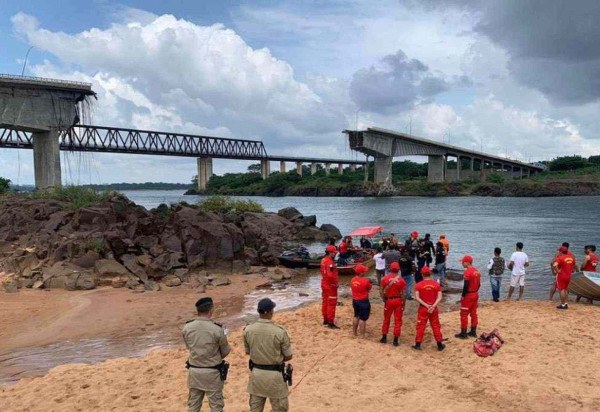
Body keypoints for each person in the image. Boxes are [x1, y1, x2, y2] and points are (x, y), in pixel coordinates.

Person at [182, 297, 231, 412]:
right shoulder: (217, 329)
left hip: (194, 372)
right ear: (211, 310)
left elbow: (189, 347)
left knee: (193, 406)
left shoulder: (187, 327)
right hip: (212, 373)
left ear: (198, 310)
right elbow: (225, 351)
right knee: (216, 406)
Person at [244, 298, 293, 412]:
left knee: (255, 408)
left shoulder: (248, 330)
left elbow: (248, 352)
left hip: (257, 375)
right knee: (280, 408)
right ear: (271, 311)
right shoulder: (279, 331)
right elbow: (288, 356)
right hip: (275, 376)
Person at [412, 266, 445, 351]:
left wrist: (427, 306)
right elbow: (440, 297)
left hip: (423, 308)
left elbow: (417, 297)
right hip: (433, 309)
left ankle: (418, 344)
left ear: (422, 274)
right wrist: (433, 306)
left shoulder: (418, 285)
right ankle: (440, 345)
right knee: (435, 325)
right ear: (430, 274)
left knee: (421, 326)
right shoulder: (436, 284)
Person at [379, 261, 406, 346]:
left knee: (386, 319)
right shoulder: (401, 280)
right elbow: (404, 294)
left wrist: (384, 299)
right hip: (398, 301)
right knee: (398, 320)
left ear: (390, 269)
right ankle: (395, 340)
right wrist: (403, 304)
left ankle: (384, 337)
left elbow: (381, 291)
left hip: (388, 301)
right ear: (398, 270)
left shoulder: (384, 279)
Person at [455, 256, 481, 339]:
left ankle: (463, 333)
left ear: (467, 262)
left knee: (464, 314)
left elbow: (466, 285)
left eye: (463, 262)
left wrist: (463, 295)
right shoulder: (477, 271)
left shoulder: (467, 272)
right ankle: (473, 332)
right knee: (473, 313)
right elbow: (479, 284)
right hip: (475, 294)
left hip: (468, 295)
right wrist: (475, 291)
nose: (462, 263)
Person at [320, 245, 340, 329]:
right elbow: (330, 275)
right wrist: (335, 283)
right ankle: (330, 322)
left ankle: (325, 320)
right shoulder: (330, 262)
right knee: (331, 304)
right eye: (334, 253)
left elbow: (323, 272)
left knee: (325, 302)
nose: (335, 254)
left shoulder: (323, 260)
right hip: (330, 286)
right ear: (330, 252)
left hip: (324, 284)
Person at [350, 264, 372, 338]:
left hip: (355, 300)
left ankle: (354, 333)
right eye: (364, 271)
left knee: (356, 316)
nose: (365, 272)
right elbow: (369, 289)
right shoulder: (365, 281)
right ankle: (362, 335)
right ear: (361, 273)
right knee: (363, 319)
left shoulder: (352, 279)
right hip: (363, 301)